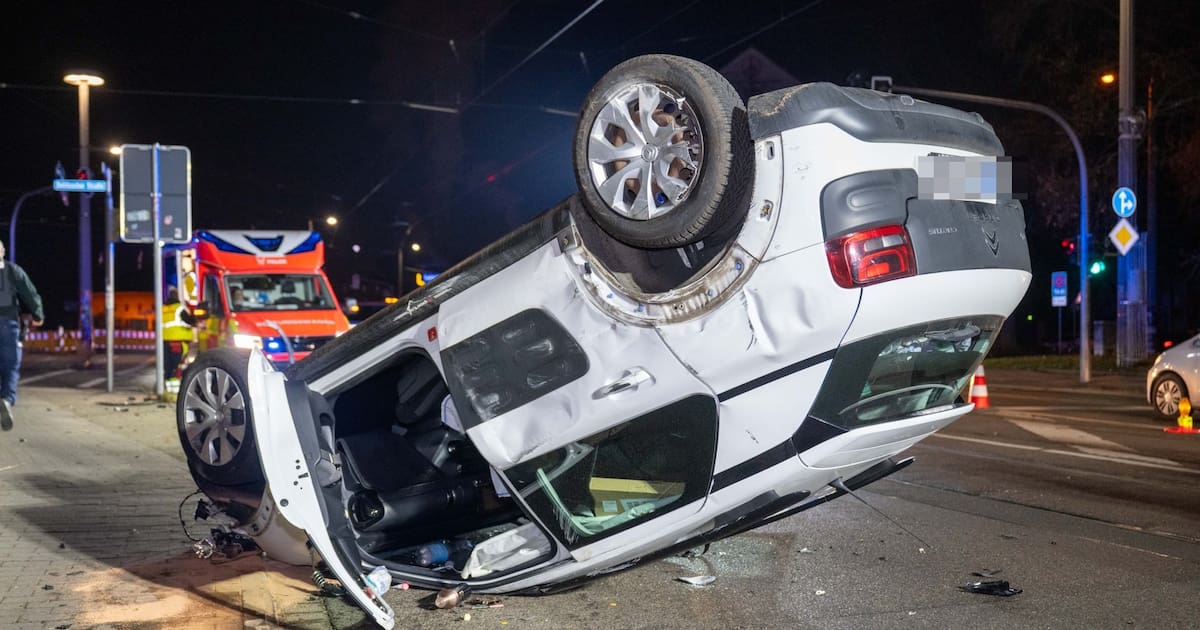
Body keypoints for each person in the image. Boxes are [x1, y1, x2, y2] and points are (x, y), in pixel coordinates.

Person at [0, 240, 43, 431]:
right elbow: (30, 293)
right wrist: (38, 315)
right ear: (2, 251)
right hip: (8, 325)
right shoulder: (13, 271)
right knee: (11, 367)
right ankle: (7, 399)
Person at [161, 287, 196, 391]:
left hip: (164, 342)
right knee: (177, 366)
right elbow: (190, 321)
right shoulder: (179, 308)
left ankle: (166, 389)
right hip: (177, 342)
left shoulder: (163, 308)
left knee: (167, 366)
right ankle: (175, 390)